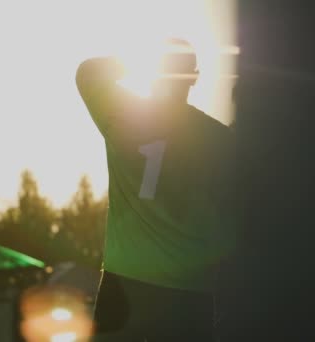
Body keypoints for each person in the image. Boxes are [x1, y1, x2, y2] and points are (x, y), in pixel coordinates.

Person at [76, 38, 235, 341]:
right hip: (188, 295)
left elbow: (87, 72)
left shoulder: (123, 113)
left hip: (124, 285)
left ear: (154, 71)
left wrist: (125, 62)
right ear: (195, 77)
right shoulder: (220, 139)